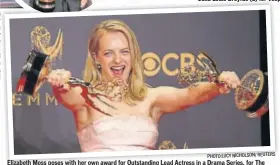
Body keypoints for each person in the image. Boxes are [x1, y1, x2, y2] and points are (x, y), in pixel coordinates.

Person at [47, 19, 241, 152]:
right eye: (108, 53)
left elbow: (190, 95)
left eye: (124, 51)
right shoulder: (86, 97)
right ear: (96, 58)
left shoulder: (151, 98)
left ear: (133, 54)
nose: (118, 60)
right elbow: (65, 93)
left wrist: (218, 84)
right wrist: (58, 82)